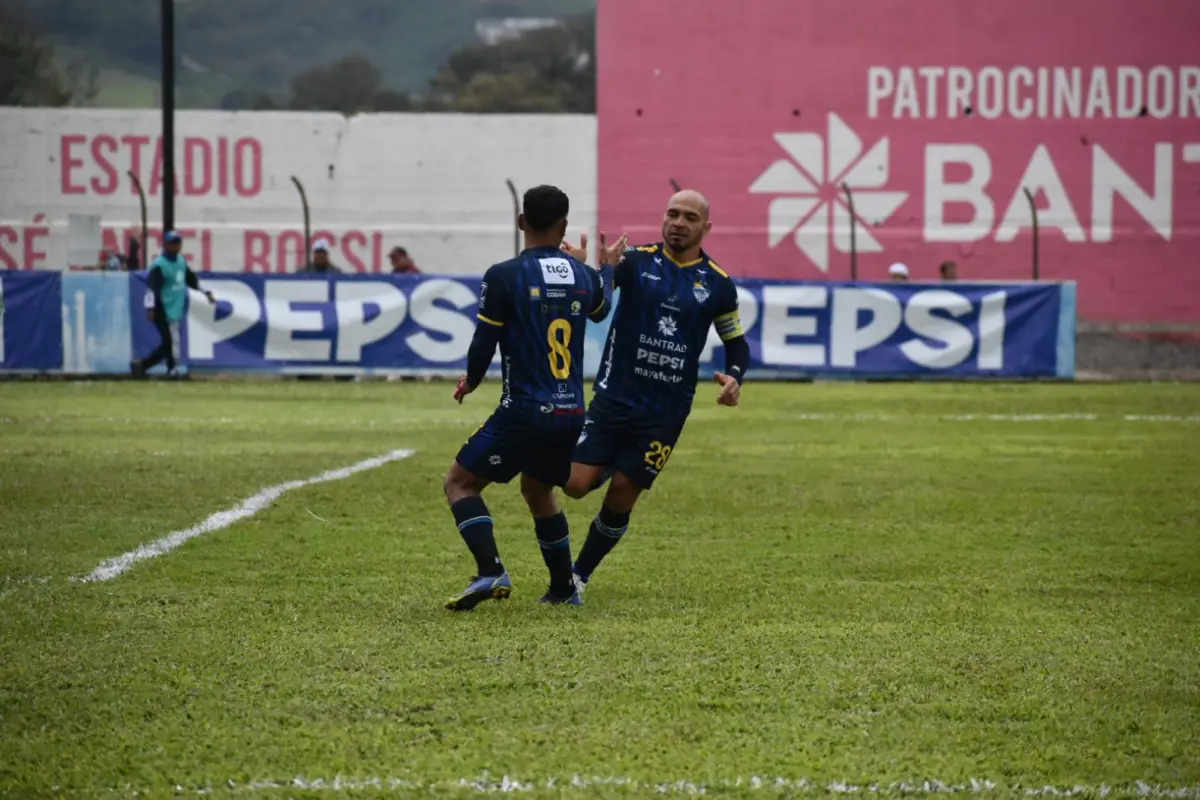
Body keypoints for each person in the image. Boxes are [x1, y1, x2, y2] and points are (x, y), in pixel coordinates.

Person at [558, 189, 750, 595]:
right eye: (672, 213)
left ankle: (579, 576)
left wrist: (735, 375)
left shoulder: (718, 285)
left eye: (689, 217)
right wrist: (592, 272)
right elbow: (599, 304)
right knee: (575, 485)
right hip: (613, 399)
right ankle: (610, 461)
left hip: (664, 413)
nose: (679, 222)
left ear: (706, 227)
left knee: (622, 497)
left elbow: (736, 342)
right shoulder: (635, 261)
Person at [442, 185, 625, 610]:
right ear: (564, 226)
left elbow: (484, 340)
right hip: (570, 411)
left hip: (523, 411)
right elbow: (602, 307)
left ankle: (490, 571)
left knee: (460, 482)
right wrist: (607, 268)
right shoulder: (582, 275)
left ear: (521, 222)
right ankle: (563, 588)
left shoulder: (504, 275)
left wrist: (470, 380)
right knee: (538, 488)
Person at [130, 231, 215, 378]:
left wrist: (205, 291)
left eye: (178, 242)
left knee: (169, 341)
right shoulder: (160, 265)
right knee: (171, 340)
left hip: (175, 306)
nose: (177, 246)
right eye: (173, 243)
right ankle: (172, 370)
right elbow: (151, 288)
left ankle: (143, 366)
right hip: (162, 307)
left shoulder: (181, 261)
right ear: (166, 245)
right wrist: (151, 307)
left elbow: (191, 279)